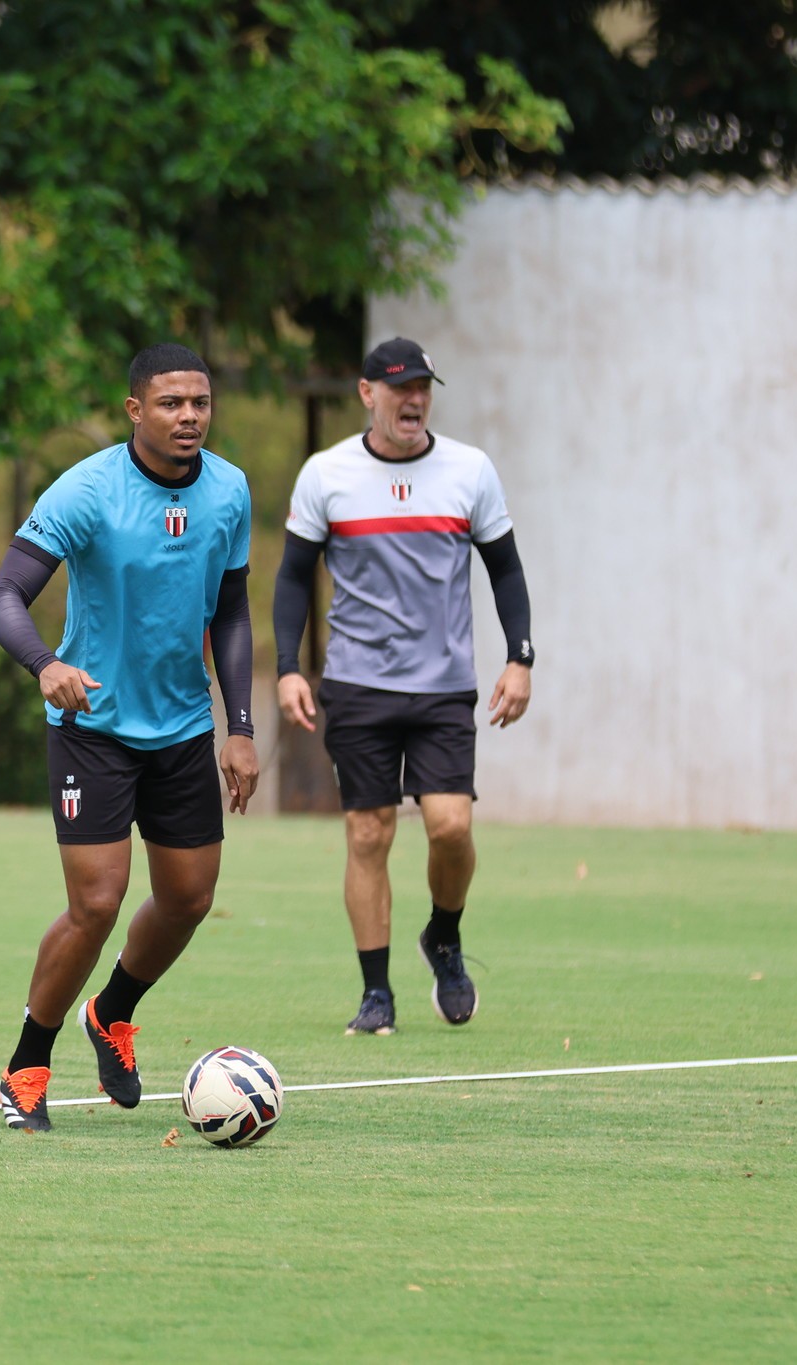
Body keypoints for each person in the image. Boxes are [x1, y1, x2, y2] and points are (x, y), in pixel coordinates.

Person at [0, 343, 260, 1132]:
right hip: (93, 727)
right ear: (136, 410)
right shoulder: (88, 489)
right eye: (172, 403)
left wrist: (239, 727)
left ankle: (112, 1012)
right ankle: (26, 1065)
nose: (190, 417)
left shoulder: (229, 489)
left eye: (201, 402)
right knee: (98, 902)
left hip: (180, 727)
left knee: (188, 898)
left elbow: (232, 611)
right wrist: (44, 663)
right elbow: (4, 596)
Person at [272, 338, 534, 1036]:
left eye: (422, 386)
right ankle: (376, 992)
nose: (413, 398)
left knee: (451, 826)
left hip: (443, 686)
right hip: (358, 684)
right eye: (399, 388)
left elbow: (505, 570)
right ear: (367, 393)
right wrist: (288, 666)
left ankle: (443, 936)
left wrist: (520, 657)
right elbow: (294, 576)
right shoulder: (327, 475)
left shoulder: (468, 470)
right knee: (368, 833)